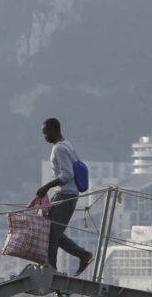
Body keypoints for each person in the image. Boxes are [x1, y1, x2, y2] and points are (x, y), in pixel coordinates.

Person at [37, 118, 93, 276]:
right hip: (65, 194)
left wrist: (46, 187)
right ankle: (83, 255)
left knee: (51, 235)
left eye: (46, 133)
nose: (45, 137)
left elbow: (67, 174)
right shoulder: (67, 144)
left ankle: (51, 272)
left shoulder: (59, 149)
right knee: (53, 231)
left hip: (65, 194)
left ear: (53, 130)